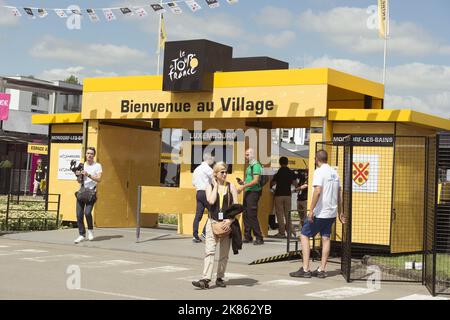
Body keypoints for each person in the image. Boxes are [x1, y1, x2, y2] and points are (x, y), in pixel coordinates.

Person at [290, 150, 345, 279]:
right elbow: (340, 194)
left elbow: (317, 191)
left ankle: (305, 268)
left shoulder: (319, 172)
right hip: (331, 212)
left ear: (316, 159)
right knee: (326, 238)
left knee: (304, 235)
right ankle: (322, 269)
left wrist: (311, 209)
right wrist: (340, 212)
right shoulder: (335, 173)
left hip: (320, 212)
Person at [192, 162, 239, 289]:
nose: (225, 174)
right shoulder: (209, 186)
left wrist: (230, 221)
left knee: (224, 254)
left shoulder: (232, 187)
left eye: (226, 172)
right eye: (222, 172)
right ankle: (205, 279)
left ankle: (219, 277)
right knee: (209, 251)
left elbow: (237, 208)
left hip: (226, 224)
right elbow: (211, 201)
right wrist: (215, 186)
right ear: (216, 174)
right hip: (212, 223)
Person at [74, 147, 102, 244]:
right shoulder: (82, 165)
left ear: (94, 155)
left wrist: (88, 174)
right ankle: (81, 234)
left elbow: (99, 179)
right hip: (82, 192)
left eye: (91, 154)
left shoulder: (97, 166)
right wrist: (78, 175)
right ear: (85, 154)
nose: (89, 155)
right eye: (88, 153)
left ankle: (90, 230)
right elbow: (79, 181)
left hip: (91, 193)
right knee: (78, 214)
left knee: (87, 213)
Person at [237, 148, 264, 245]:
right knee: (246, 214)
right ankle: (247, 236)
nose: (246, 156)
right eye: (245, 154)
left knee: (252, 215)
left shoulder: (256, 166)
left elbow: (255, 181)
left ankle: (259, 237)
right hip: (248, 191)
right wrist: (243, 182)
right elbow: (250, 180)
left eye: (247, 154)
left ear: (253, 155)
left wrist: (242, 186)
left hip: (253, 192)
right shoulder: (249, 166)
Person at [271, 157, 297, 238]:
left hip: (278, 195)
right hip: (288, 195)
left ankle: (281, 232)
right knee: (288, 214)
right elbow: (295, 183)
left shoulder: (278, 172)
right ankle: (290, 232)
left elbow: (273, 183)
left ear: (279, 163)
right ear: (287, 162)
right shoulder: (290, 172)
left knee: (279, 214)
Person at [192, 153, 214, 243]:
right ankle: (205, 232)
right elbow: (215, 179)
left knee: (198, 215)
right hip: (206, 192)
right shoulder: (208, 169)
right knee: (212, 212)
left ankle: (195, 235)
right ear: (208, 159)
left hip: (198, 193)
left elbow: (193, 183)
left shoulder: (196, 169)